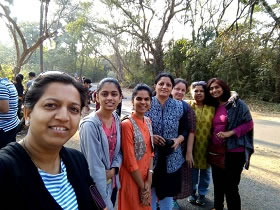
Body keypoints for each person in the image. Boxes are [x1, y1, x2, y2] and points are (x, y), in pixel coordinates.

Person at [0, 71, 105, 209]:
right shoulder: (5, 170)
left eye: (73, 109)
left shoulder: (77, 160)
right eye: (50, 105)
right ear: (28, 113)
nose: (63, 117)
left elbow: (99, 205)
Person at [207, 78, 254, 210]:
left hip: (234, 152)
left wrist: (230, 133)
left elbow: (249, 124)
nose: (214, 90)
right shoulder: (213, 106)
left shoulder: (236, 104)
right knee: (218, 183)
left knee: (231, 187)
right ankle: (217, 207)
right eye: (211, 88)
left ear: (223, 87)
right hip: (216, 151)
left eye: (217, 87)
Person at [145, 72, 186, 210]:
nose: (164, 87)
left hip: (172, 158)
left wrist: (178, 140)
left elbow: (185, 129)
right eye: (161, 83)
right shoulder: (146, 102)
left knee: (168, 195)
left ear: (172, 88)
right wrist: (150, 137)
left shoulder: (180, 106)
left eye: (168, 85)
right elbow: (134, 127)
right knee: (151, 191)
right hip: (150, 158)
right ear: (155, 85)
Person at [80, 78, 122, 210]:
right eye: (104, 94)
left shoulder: (116, 119)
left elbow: (120, 151)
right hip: (96, 189)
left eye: (114, 94)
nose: (110, 98)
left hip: (112, 183)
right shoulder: (90, 125)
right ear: (97, 97)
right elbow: (94, 167)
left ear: (120, 98)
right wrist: (104, 203)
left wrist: (114, 170)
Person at [118, 84, 154, 210]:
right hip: (132, 178)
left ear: (150, 101)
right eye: (139, 99)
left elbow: (151, 152)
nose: (143, 102)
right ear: (132, 101)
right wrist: (142, 186)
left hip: (145, 177)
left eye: (146, 99)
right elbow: (129, 160)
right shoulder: (127, 124)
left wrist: (149, 180)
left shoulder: (148, 121)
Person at [187, 81, 215, 206]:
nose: (198, 93)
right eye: (196, 90)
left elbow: (227, 95)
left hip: (207, 147)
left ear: (206, 93)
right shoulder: (187, 106)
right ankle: (192, 192)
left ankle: (202, 194)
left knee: (205, 173)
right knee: (192, 172)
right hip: (191, 147)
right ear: (191, 92)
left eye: (201, 91)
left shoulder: (213, 107)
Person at [171, 78, 196, 208]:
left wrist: (189, 152)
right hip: (161, 148)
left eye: (183, 90)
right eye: (177, 89)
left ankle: (172, 200)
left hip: (180, 148)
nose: (179, 92)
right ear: (171, 89)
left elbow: (191, 130)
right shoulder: (159, 102)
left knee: (177, 176)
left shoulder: (186, 108)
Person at [0, 77, 20, 149]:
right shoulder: (7, 83)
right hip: (11, 124)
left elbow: (4, 108)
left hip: (4, 127)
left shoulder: (1, 86)